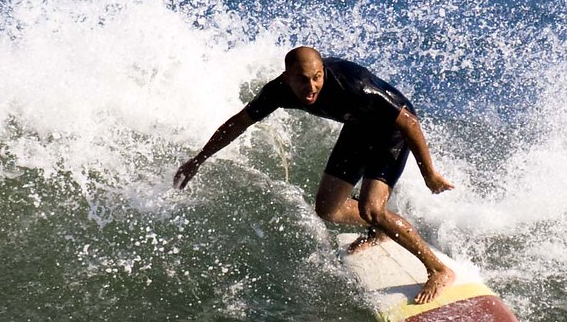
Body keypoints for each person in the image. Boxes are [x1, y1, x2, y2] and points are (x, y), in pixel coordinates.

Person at [173, 46, 455, 304]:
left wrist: (429, 174)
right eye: (303, 79)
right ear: (286, 77)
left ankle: (438, 270)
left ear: (323, 72)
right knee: (327, 209)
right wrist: (199, 159)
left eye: (317, 78)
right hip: (358, 126)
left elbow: (408, 122)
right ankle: (382, 229)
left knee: (372, 208)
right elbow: (238, 123)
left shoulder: (354, 85)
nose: (311, 87)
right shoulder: (277, 91)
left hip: (393, 130)